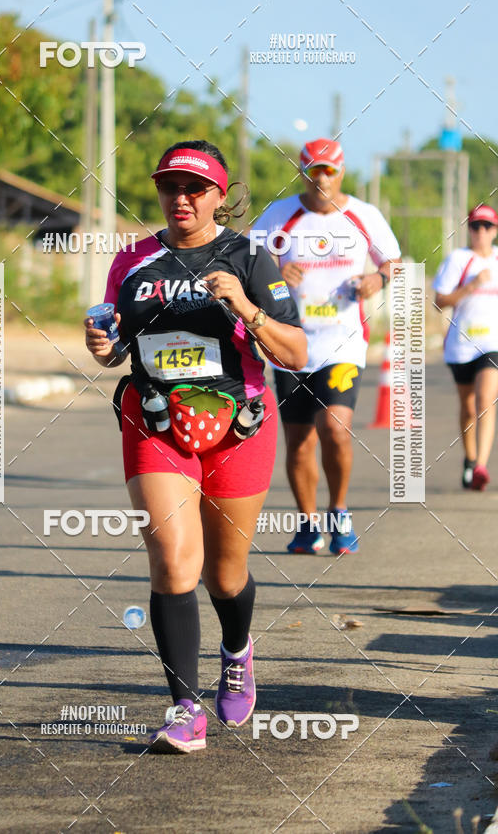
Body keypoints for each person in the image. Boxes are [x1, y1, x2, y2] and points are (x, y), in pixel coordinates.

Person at [84, 140, 307, 754]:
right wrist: (102, 347)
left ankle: (237, 650)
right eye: (169, 187)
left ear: (219, 196)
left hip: (238, 427)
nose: (180, 199)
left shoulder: (249, 256)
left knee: (224, 574)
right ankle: (184, 708)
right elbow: (114, 344)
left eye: (195, 188)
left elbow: (297, 353)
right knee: (173, 563)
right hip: (155, 422)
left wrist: (245, 308)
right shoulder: (132, 261)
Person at [253, 137, 401, 555]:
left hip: (343, 343)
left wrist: (377, 279)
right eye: (313, 171)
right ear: (302, 173)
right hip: (289, 346)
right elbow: (246, 263)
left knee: (334, 428)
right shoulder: (279, 216)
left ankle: (338, 511)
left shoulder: (363, 215)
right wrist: (278, 270)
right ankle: (307, 524)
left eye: (329, 171)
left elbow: (394, 261)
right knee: (299, 441)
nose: (321, 179)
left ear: (341, 172)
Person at [433, 204, 498, 491]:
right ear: (468, 230)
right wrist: (471, 286)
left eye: (486, 227)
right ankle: (470, 460)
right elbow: (440, 301)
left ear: (495, 231)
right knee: (468, 407)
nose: (481, 232)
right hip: (461, 346)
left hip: (492, 344)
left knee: (486, 400)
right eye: (475, 226)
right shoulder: (458, 260)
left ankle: (482, 465)